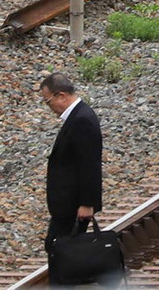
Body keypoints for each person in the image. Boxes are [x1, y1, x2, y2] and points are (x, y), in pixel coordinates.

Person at [40, 73, 103, 280]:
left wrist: (87, 203)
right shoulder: (77, 116)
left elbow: (90, 164)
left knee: (61, 251)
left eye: (48, 101)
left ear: (61, 96)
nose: (49, 107)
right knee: (59, 249)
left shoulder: (82, 119)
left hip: (73, 205)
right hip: (67, 204)